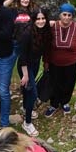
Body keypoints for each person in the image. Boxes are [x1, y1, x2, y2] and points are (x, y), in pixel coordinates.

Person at [43, 3, 76, 118]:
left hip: (72, 63)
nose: (66, 17)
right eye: (64, 14)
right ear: (60, 15)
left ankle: (65, 102)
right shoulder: (53, 26)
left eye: (69, 15)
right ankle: (54, 104)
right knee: (54, 84)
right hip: (54, 63)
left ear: (72, 16)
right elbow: (47, 46)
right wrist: (46, 62)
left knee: (69, 84)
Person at [17, 8, 47, 136]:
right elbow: (22, 55)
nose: (41, 21)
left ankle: (25, 107)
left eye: (43, 18)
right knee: (33, 94)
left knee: (28, 90)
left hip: (35, 64)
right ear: (33, 20)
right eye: (38, 19)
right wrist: (25, 74)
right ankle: (27, 123)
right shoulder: (27, 33)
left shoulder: (44, 31)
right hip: (25, 65)